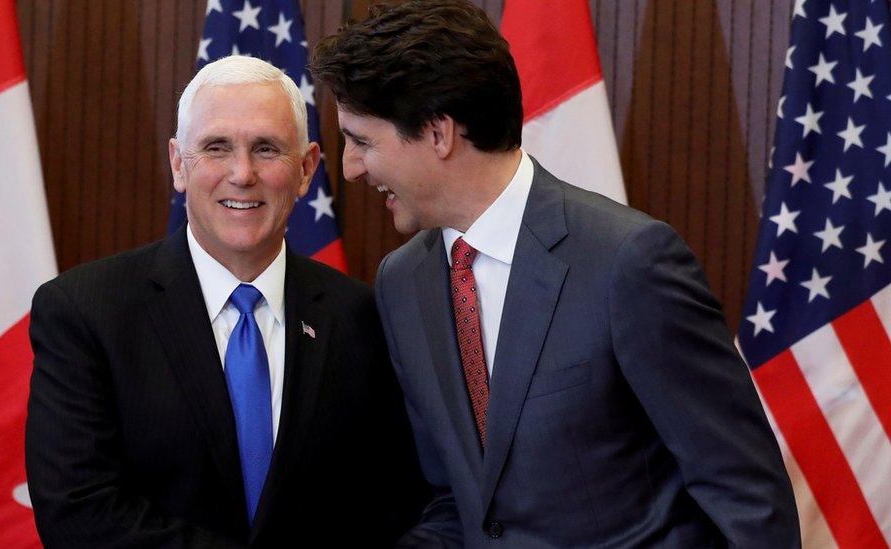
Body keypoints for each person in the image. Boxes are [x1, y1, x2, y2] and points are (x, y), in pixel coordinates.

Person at [311, 2, 800, 547]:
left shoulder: (628, 262)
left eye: (362, 141)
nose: (351, 167)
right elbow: (454, 500)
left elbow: (747, 497)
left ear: (438, 133)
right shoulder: (402, 282)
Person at [25, 55, 426, 548]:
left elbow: (396, 502)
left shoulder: (365, 317)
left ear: (306, 170)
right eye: (216, 147)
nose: (242, 173)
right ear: (178, 164)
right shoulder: (85, 311)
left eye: (266, 149)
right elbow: (79, 512)